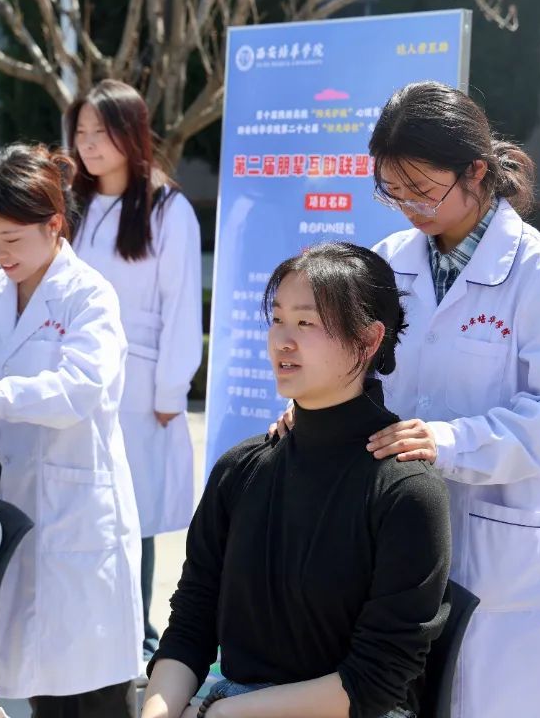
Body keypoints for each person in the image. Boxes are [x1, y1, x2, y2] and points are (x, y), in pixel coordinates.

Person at [327, 81, 540, 718]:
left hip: (502, 539)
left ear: (476, 171)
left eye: (422, 190)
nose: (408, 208)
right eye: (392, 191)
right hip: (397, 528)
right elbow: (359, 371)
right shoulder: (388, 262)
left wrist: (448, 442)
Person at [143, 242, 451, 718]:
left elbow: (375, 682)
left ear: (368, 340)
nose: (282, 341)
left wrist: (221, 714)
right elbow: (191, 623)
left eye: (306, 323)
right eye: (277, 319)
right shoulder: (240, 469)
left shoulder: (405, 489)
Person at [0, 143, 143, 717]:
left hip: (74, 511)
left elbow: (79, 388)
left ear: (54, 225)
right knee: (33, 682)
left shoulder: (88, 294)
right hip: (7, 504)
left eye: (11, 238)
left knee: (93, 690)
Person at [66, 79, 203, 660]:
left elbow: (180, 304)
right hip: (75, 372)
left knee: (133, 506)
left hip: (140, 380)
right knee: (78, 501)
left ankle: (137, 634)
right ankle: (83, 625)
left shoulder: (167, 209)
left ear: (132, 134)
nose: (89, 144)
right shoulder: (71, 204)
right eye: (81, 132)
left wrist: (170, 390)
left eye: (101, 132)